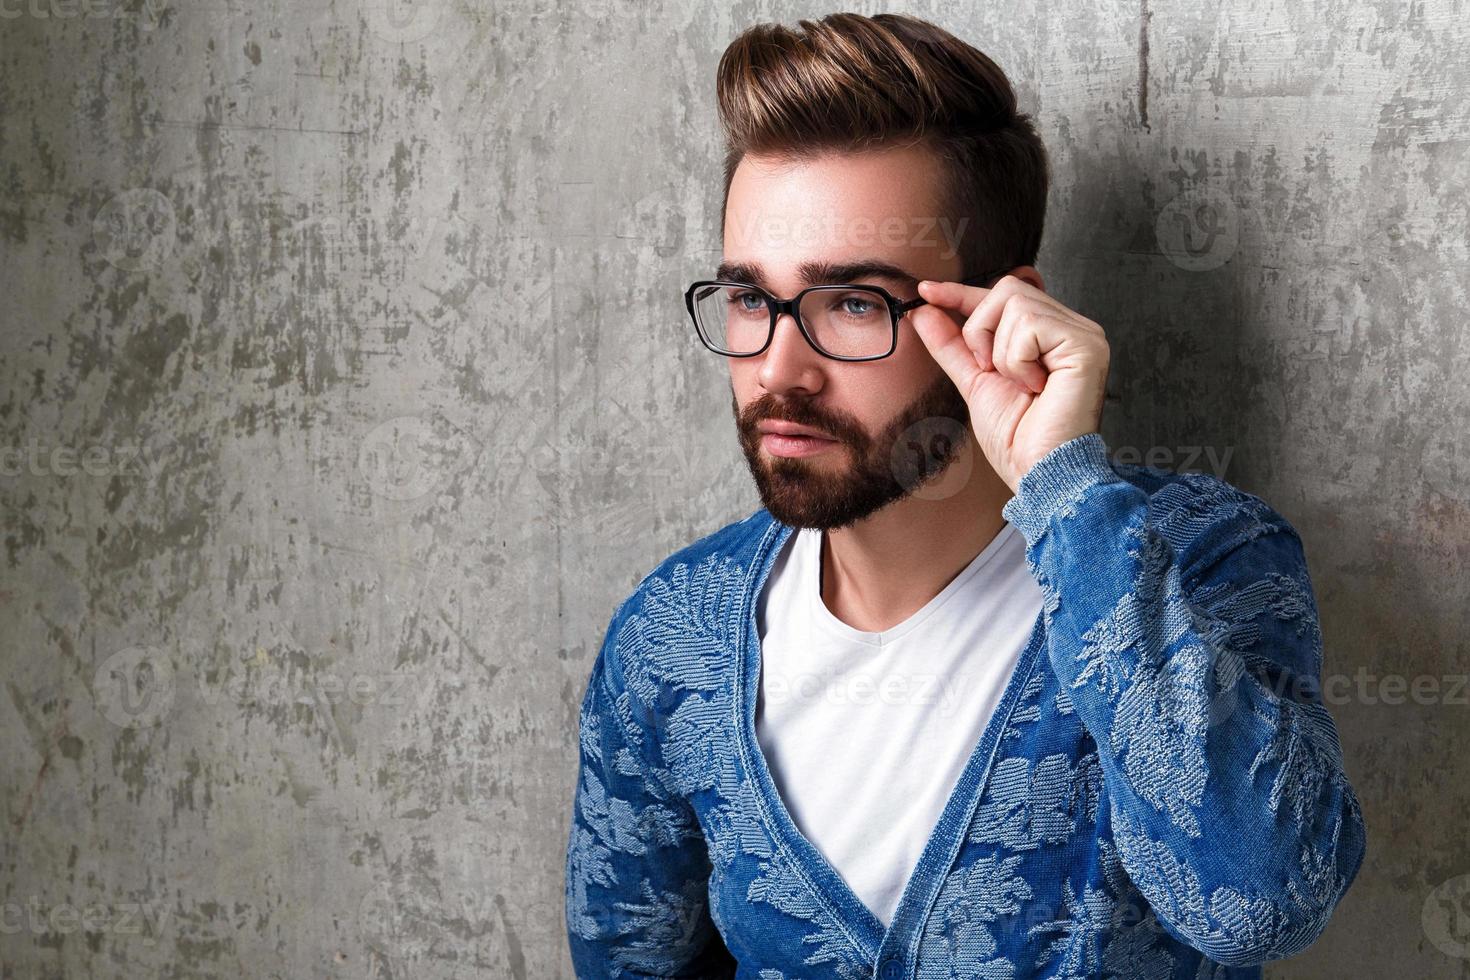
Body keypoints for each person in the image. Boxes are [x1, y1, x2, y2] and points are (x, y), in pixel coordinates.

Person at [564, 12, 1365, 978]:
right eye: (750, 300)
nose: (779, 371)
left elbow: (1260, 905)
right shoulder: (672, 638)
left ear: (996, 314)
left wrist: (1068, 492)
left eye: (852, 304)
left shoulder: (1199, 559)